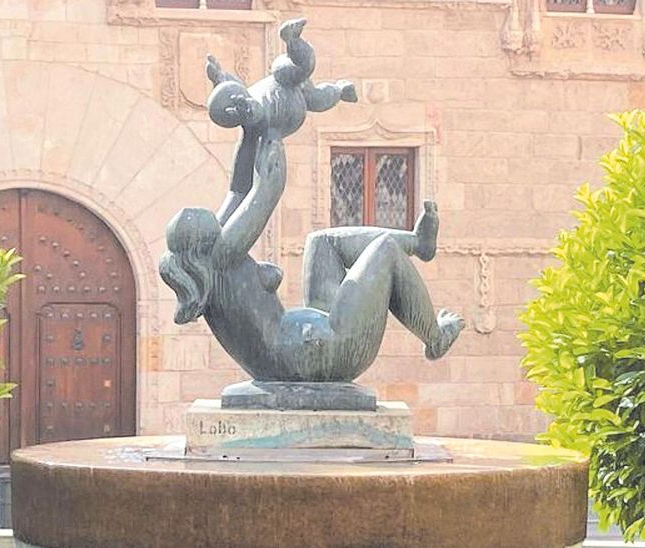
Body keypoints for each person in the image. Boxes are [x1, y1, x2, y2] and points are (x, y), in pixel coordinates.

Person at [159, 129, 464, 383]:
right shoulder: (222, 257)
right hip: (324, 350)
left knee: (322, 242)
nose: (216, 217)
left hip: (302, 348)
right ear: (204, 241)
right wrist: (274, 134)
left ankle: (419, 243)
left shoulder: (210, 259)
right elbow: (267, 192)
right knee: (384, 249)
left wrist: (251, 132)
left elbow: (237, 191)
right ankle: (435, 338)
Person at [206, 17, 356, 223]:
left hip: (284, 106)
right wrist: (220, 78)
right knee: (317, 96)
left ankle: (293, 41)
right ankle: (339, 88)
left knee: (311, 79)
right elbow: (241, 96)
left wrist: (222, 81)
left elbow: (251, 106)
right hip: (284, 111)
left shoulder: (257, 99)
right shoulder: (250, 101)